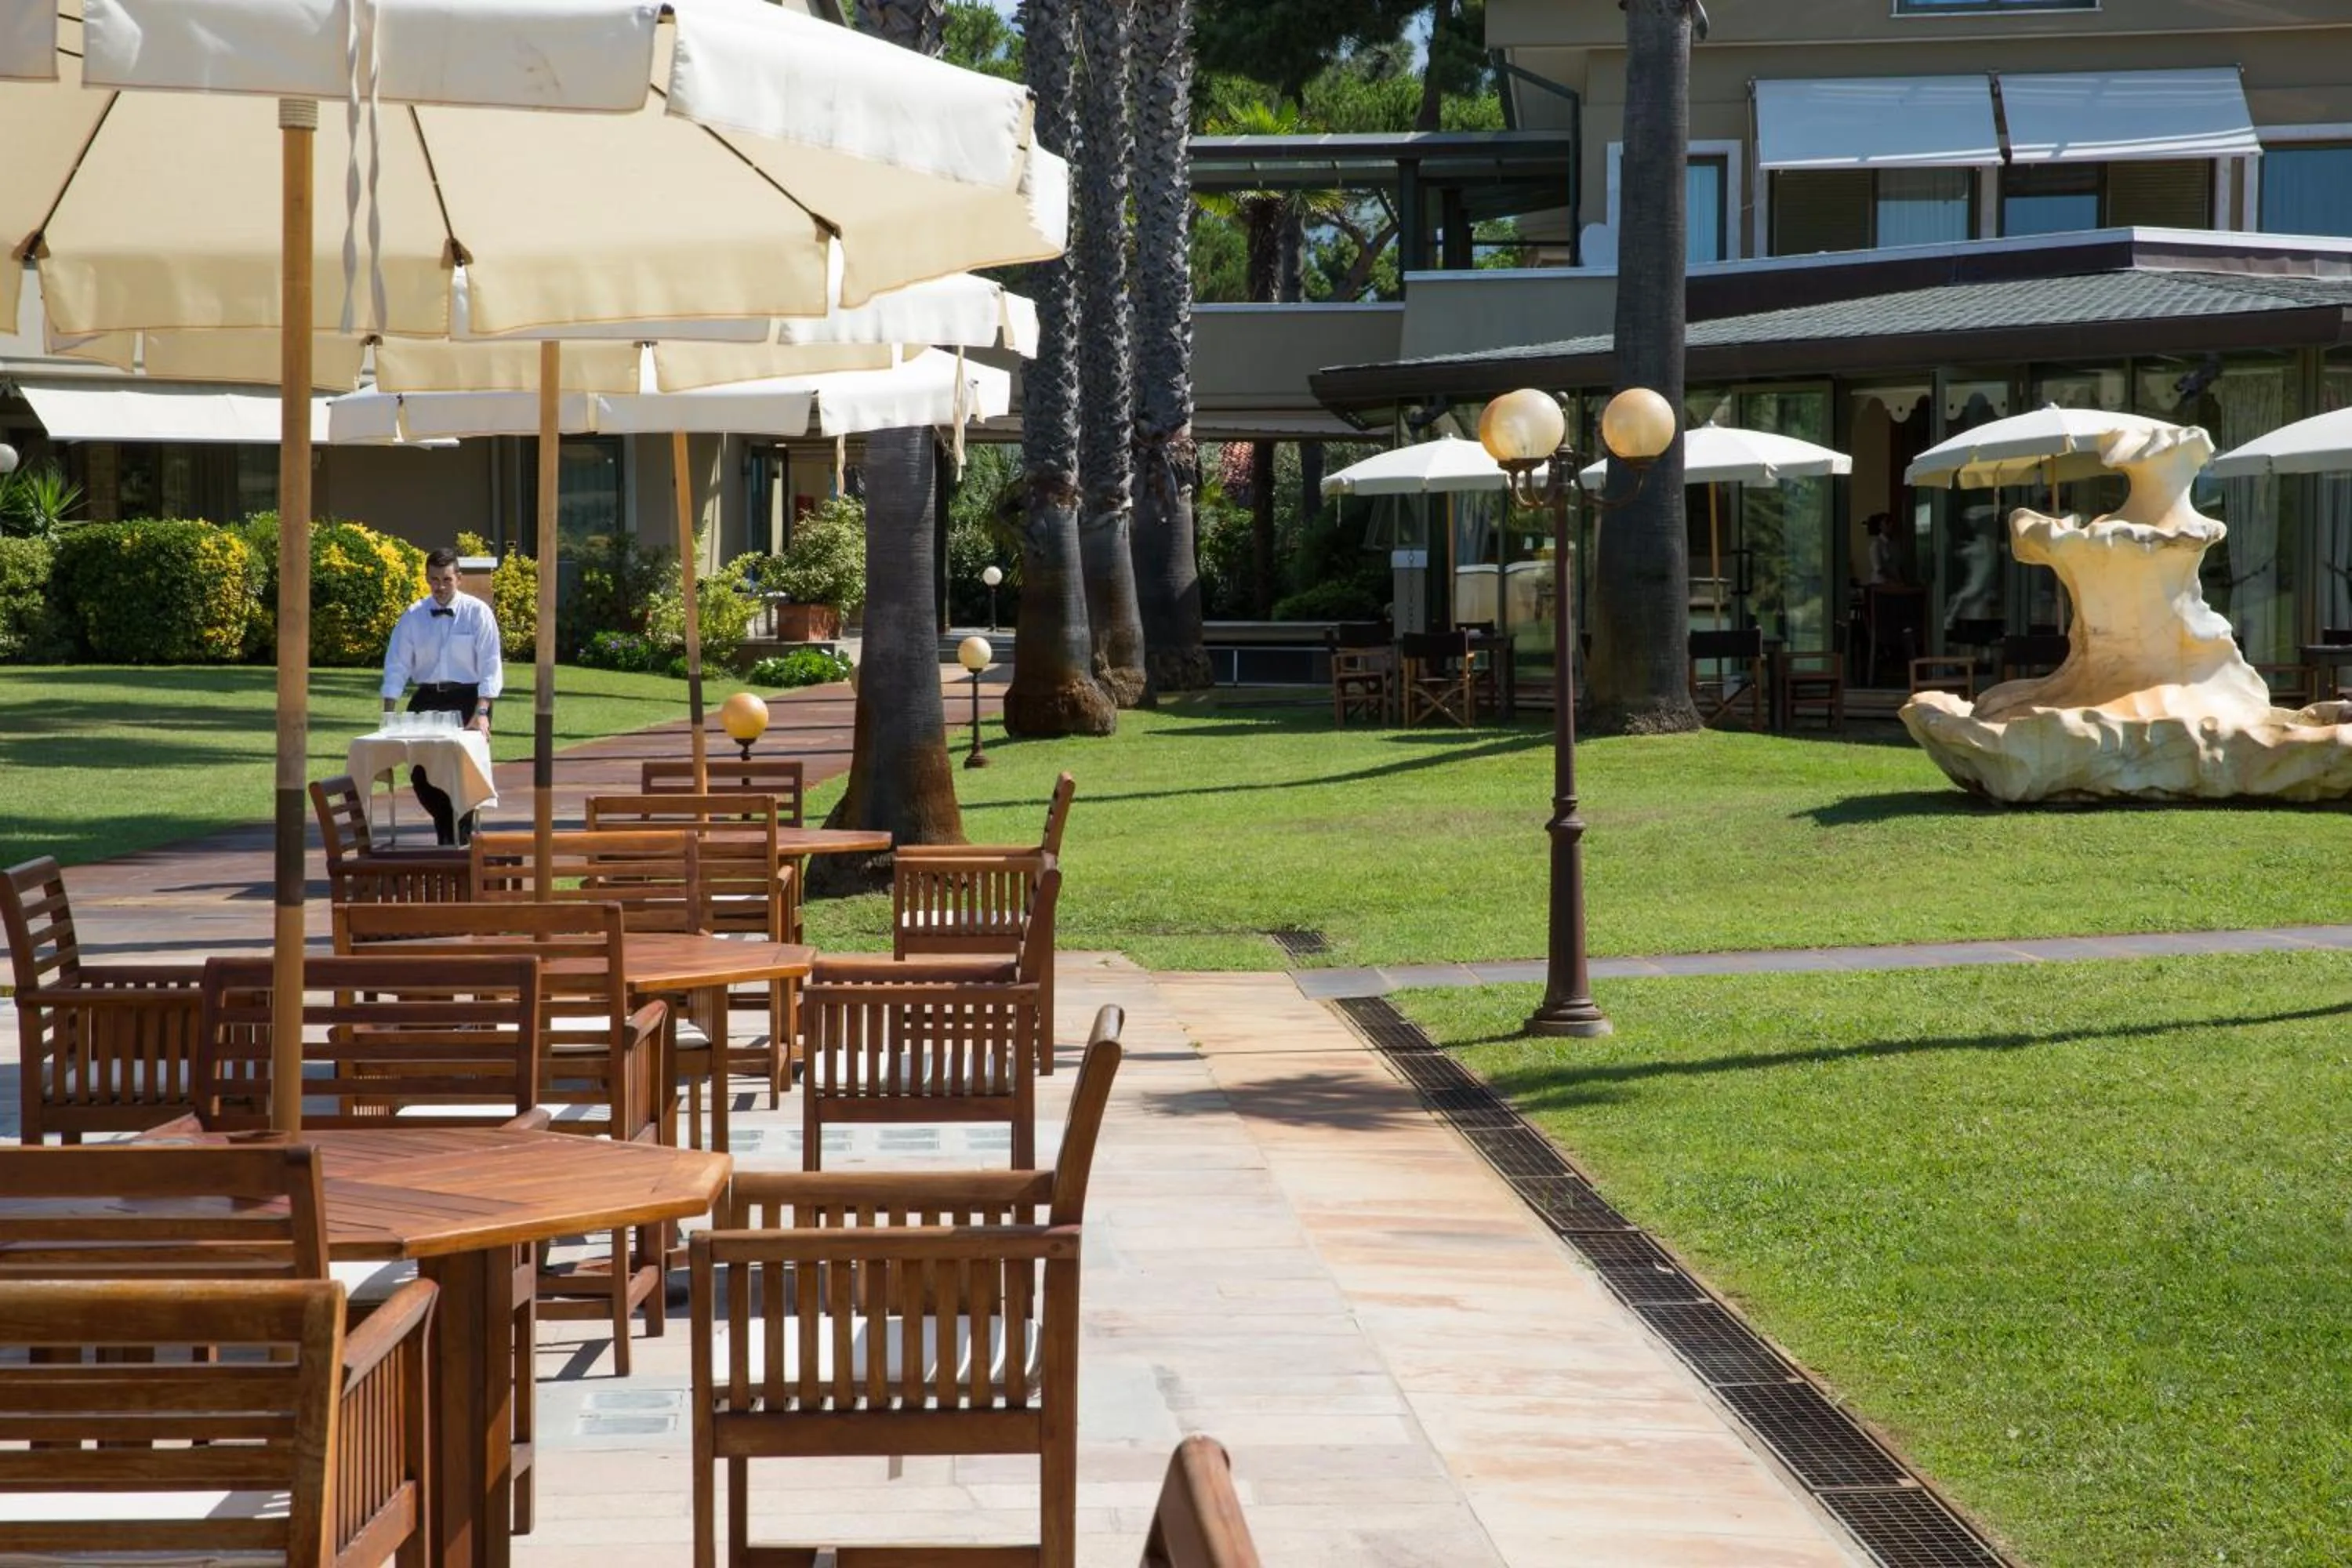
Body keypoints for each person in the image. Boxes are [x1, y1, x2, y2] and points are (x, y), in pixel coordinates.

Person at [381, 546, 503, 844]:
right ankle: (449, 834)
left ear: (459, 578)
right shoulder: (413, 616)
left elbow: (490, 663)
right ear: (426, 579)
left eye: (446, 579)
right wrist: (388, 713)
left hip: (468, 700)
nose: (440, 587)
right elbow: (396, 664)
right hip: (426, 699)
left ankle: (456, 844)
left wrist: (483, 711)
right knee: (421, 776)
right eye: (434, 580)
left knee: (463, 774)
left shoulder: (478, 613)